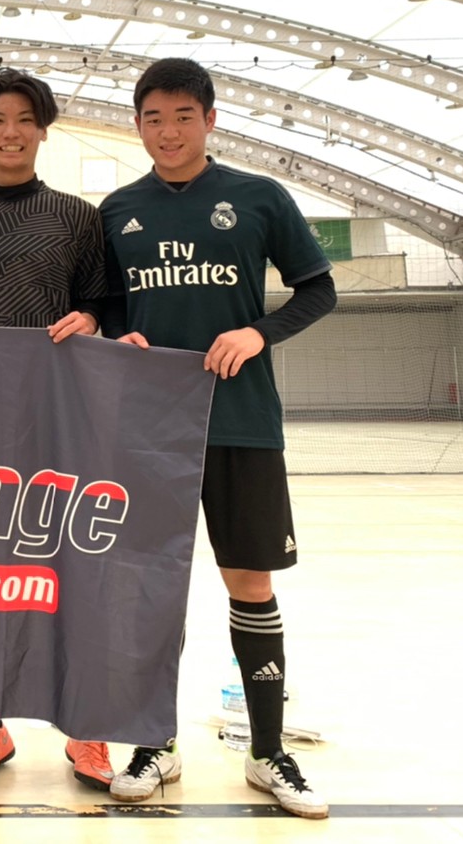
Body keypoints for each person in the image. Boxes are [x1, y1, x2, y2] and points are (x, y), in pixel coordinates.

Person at [99, 57, 335, 820]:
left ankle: (268, 753)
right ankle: (154, 744)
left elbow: (318, 289)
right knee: (149, 589)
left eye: (182, 117)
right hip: (149, 431)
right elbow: (106, 305)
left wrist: (259, 333)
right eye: (153, 118)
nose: (168, 132)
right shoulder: (117, 210)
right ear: (138, 125)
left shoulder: (258, 197)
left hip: (241, 423)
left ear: (209, 119)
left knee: (251, 584)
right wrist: (119, 337)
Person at [0, 67, 111, 790]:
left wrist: (91, 318)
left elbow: (102, 302)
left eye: (24, 120)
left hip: (63, 416)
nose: (11, 132)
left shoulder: (77, 217)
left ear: (42, 130)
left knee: (75, 567)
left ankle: (88, 727)